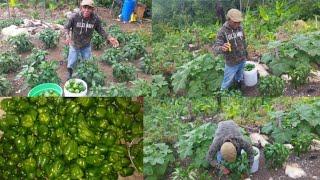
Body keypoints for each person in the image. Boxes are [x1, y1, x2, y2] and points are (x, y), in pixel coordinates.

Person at [64, 0, 119, 79]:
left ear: (93, 9)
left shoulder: (95, 19)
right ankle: (70, 73)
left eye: (89, 8)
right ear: (81, 7)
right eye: (85, 7)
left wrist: (109, 37)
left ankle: (85, 77)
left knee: (88, 62)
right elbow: (66, 27)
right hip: (74, 44)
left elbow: (100, 29)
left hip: (86, 45)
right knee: (72, 61)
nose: (86, 10)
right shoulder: (74, 17)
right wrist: (67, 35)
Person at [212, 9, 248, 90]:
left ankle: (238, 86)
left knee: (240, 76)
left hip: (242, 59)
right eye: (235, 22)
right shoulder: (222, 31)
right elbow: (215, 47)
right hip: (231, 63)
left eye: (239, 22)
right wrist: (222, 48)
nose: (237, 24)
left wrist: (246, 54)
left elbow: (244, 41)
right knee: (227, 82)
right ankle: (222, 95)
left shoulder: (240, 28)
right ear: (228, 19)